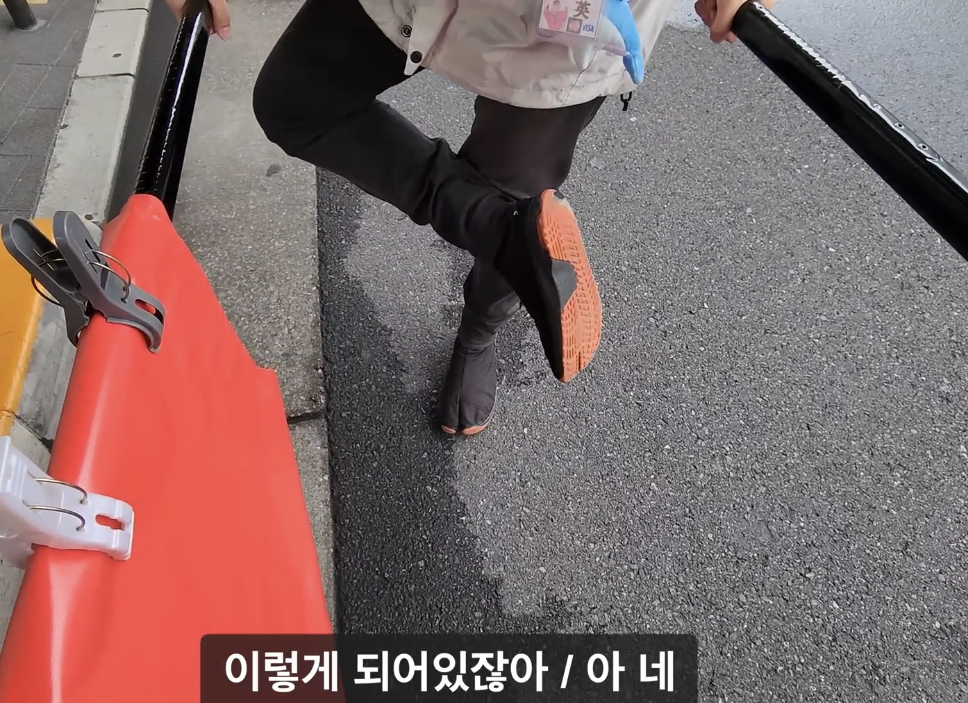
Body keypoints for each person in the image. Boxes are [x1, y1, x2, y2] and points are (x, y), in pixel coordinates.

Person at [164, 0, 775, 435]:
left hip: (563, 27)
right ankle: (505, 234)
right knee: (296, 101)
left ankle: (481, 327)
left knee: (514, 185)